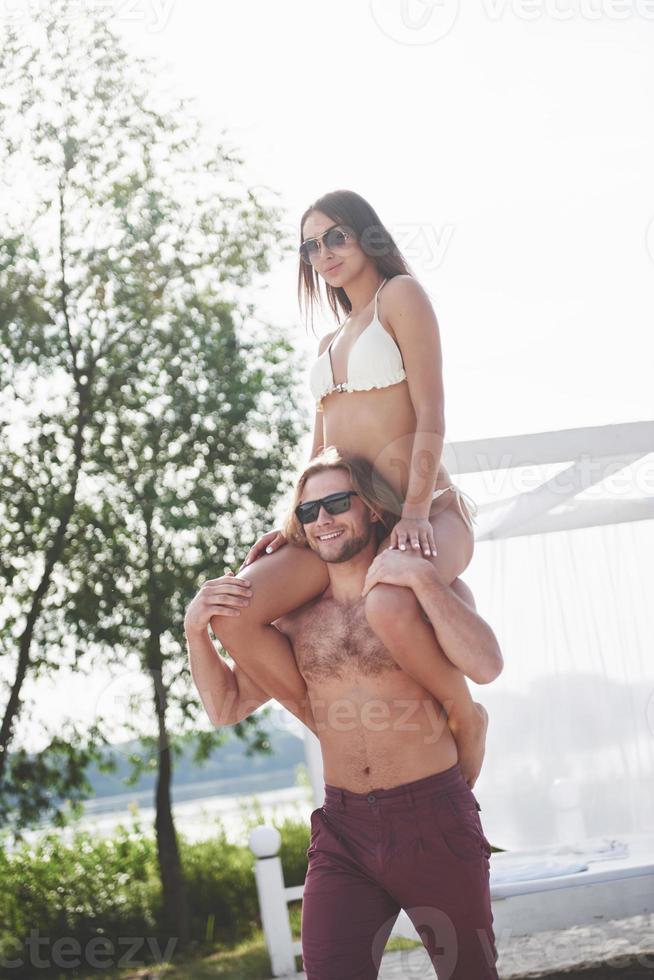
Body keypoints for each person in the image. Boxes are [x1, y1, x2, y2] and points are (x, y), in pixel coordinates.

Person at [186, 450, 503, 979]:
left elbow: (487, 664)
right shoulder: (294, 621)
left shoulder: (422, 596)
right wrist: (197, 630)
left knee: (469, 973)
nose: (323, 520)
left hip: (432, 815)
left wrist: (423, 580)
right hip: (343, 829)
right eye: (309, 512)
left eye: (336, 503)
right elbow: (226, 706)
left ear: (374, 510)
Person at [211, 189, 490, 787]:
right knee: (235, 611)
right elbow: (320, 453)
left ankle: (464, 714)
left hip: (423, 511)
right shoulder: (328, 343)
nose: (324, 252)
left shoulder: (401, 298)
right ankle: (327, 725)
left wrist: (415, 512)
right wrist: (292, 523)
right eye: (311, 245)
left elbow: (432, 413)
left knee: (387, 603)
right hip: (345, 518)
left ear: (368, 236)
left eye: (335, 236)